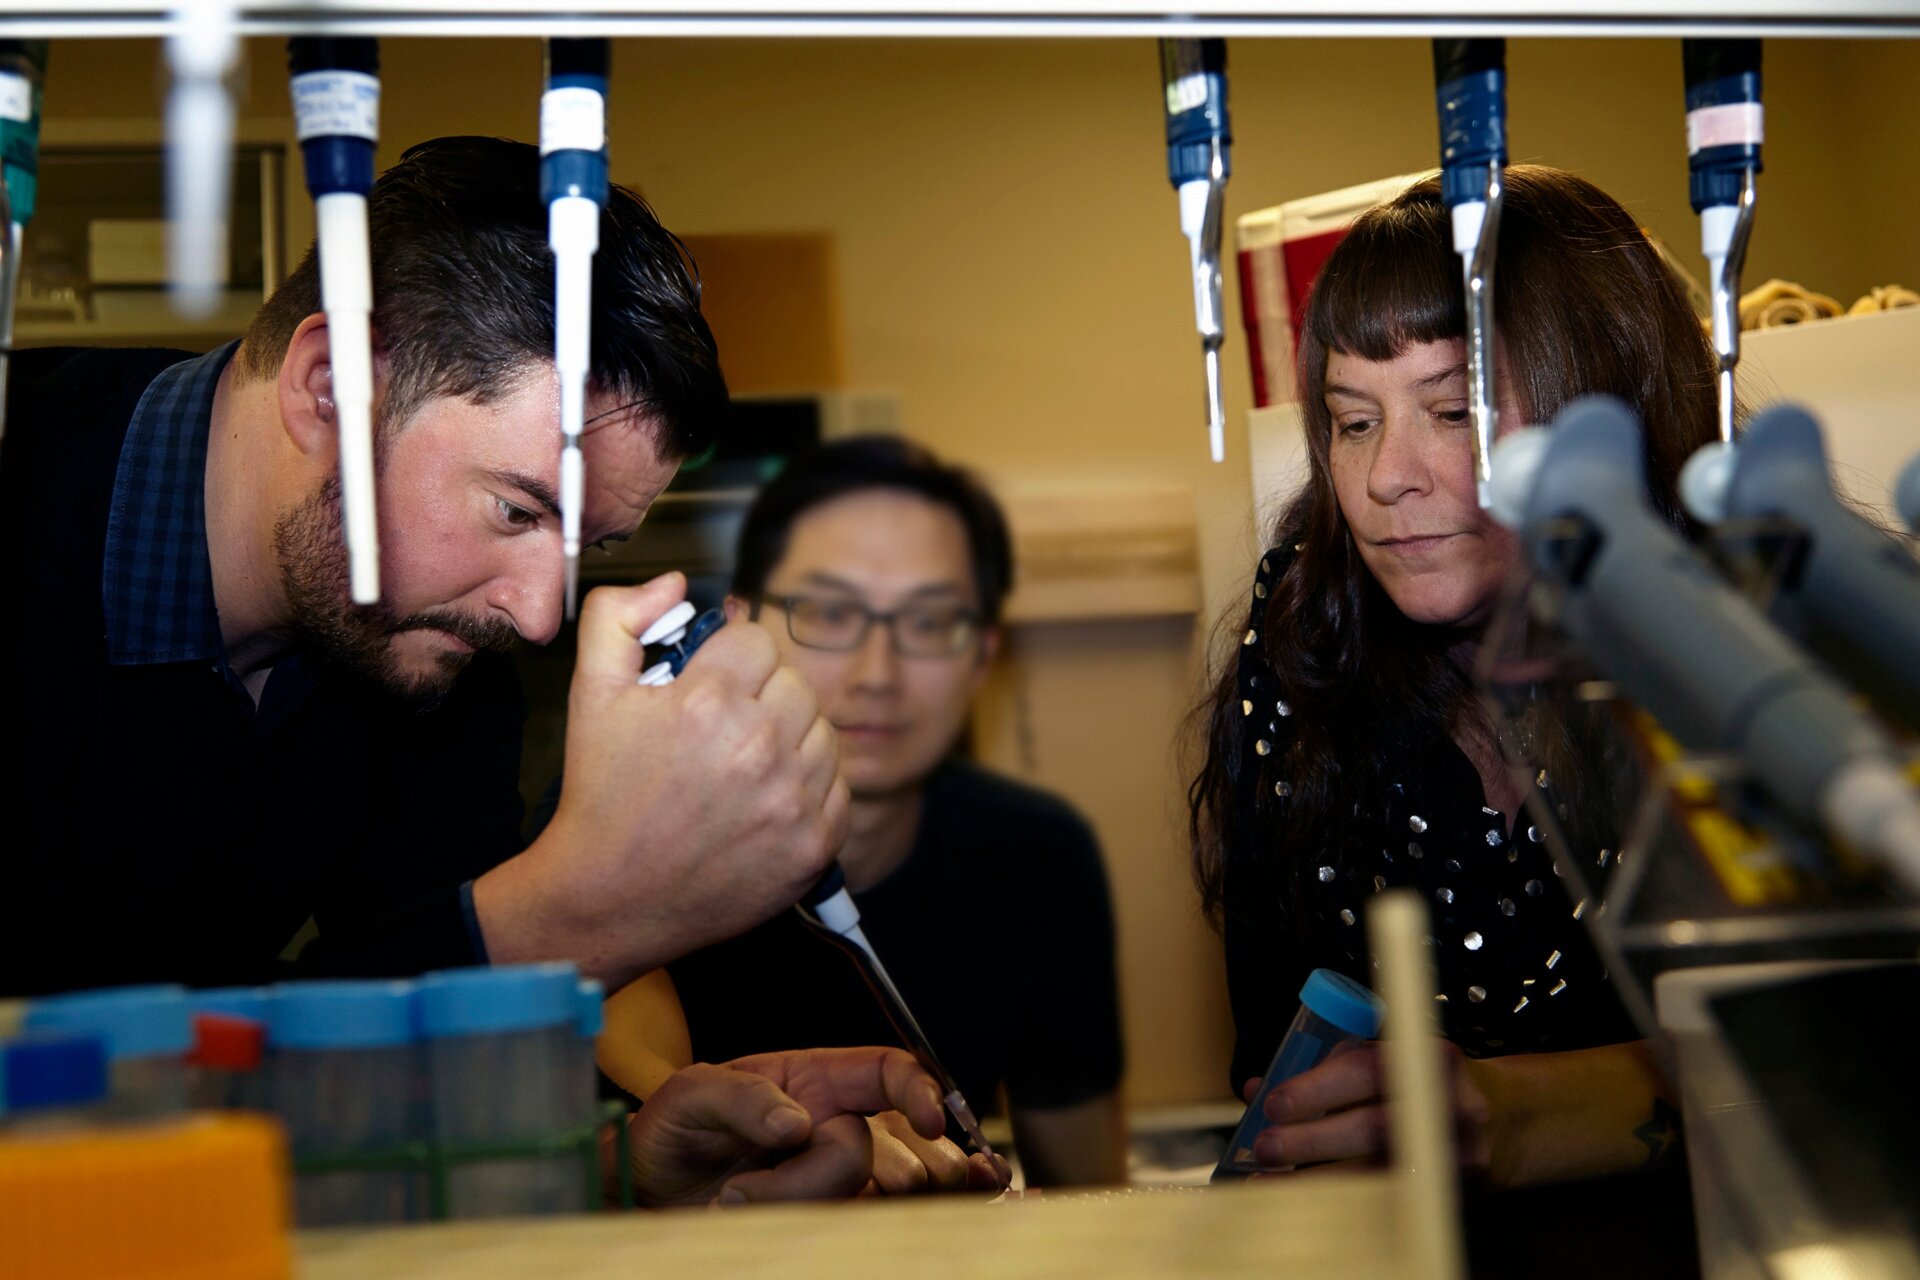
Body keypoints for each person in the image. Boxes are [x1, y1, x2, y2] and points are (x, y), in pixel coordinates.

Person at [0, 135, 959, 1203]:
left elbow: (352, 1085)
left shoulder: (434, 662)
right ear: (329, 385)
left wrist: (620, 1160)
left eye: (586, 547)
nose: (539, 616)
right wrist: (577, 909)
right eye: (515, 510)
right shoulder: (24, 486)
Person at [1188, 167, 1717, 1195]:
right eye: (1353, 421)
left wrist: (1519, 1115)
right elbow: (1279, 1059)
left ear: (1607, 414)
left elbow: (1843, 1055)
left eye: (1454, 409)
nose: (1387, 476)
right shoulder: (1305, 643)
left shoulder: (1759, 650)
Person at [662, 436, 1128, 1187]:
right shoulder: (636, 837)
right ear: (739, 628)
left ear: (982, 654)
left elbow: (1087, 1192)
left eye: (929, 622)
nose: (878, 674)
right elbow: (624, 1111)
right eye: (828, 612)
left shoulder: (1036, 857)